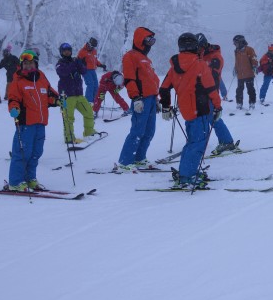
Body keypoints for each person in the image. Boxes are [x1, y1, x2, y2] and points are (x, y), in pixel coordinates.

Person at [159, 33, 222, 189]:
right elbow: (211, 88)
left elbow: (164, 88)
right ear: (195, 46)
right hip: (200, 109)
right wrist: (218, 106)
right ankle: (187, 176)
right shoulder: (200, 64)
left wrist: (166, 106)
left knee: (193, 141)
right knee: (198, 143)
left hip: (187, 110)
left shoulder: (174, 66)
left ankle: (187, 171)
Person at [6, 49, 60, 191]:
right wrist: (14, 108)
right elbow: (13, 98)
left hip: (40, 123)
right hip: (25, 123)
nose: (28, 66)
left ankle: (30, 179)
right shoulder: (18, 79)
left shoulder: (41, 77)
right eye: (25, 64)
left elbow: (49, 94)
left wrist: (58, 101)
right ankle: (15, 182)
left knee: (36, 153)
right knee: (22, 153)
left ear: (35, 64)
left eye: (30, 63)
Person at [115, 27, 160, 172]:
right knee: (137, 130)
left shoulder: (147, 59)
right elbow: (129, 78)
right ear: (141, 40)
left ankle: (139, 158)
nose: (150, 45)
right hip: (141, 99)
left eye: (153, 41)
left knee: (149, 131)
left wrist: (157, 98)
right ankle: (125, 161)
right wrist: (136, 97)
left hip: (152, 99)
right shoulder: (130, 56)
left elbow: (153, 80)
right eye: (149, 41)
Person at [197, 33, 239, 156]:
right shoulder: (201, 55)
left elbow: (211, 74)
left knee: (212, 117)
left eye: (199, 47)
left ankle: (226, 141)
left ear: (203, 45)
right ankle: (198, 142)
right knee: (202, 118)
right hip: (200, 93)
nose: (197, 50)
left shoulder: (215, 57)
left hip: (210, 92)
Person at [55, 42, 98, 144]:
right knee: (68, 118)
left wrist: (80, 63)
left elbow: (83, 71)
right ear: (61, 52)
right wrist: (74, 63)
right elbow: (64, 72)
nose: (67, 52)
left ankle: (89, 132)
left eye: (69, 50)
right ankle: (69, 137)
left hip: (79, 94)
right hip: (66, 96)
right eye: (65, 50)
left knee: (89, 112)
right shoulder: (60, 64)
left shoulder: (75, 61)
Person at [77, 37, 107, 104]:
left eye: (93, 47)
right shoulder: (82, 51)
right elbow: (77, 61)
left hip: (93, 70)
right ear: (88, 44)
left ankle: (94, 100)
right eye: (91, 46)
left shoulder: (94, 51)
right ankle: (88, 101)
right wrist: (81, 65)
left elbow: (95, 60)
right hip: (86, 70)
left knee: (96, 85)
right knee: (90, 84)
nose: (92, 48)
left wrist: (101, 65)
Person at [232, 34, 258, 110]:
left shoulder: (249, 49)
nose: (234, 44)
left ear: (240, 42)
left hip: (249, 73)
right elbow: (237, 61)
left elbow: (254, 58)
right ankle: (239, 103)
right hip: (240, 74)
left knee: (250, 89)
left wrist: (255, 66)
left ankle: (252, 103)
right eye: (234, 43)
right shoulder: (236, 51)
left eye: (235, 43)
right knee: (239, 89)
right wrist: (235, 68)